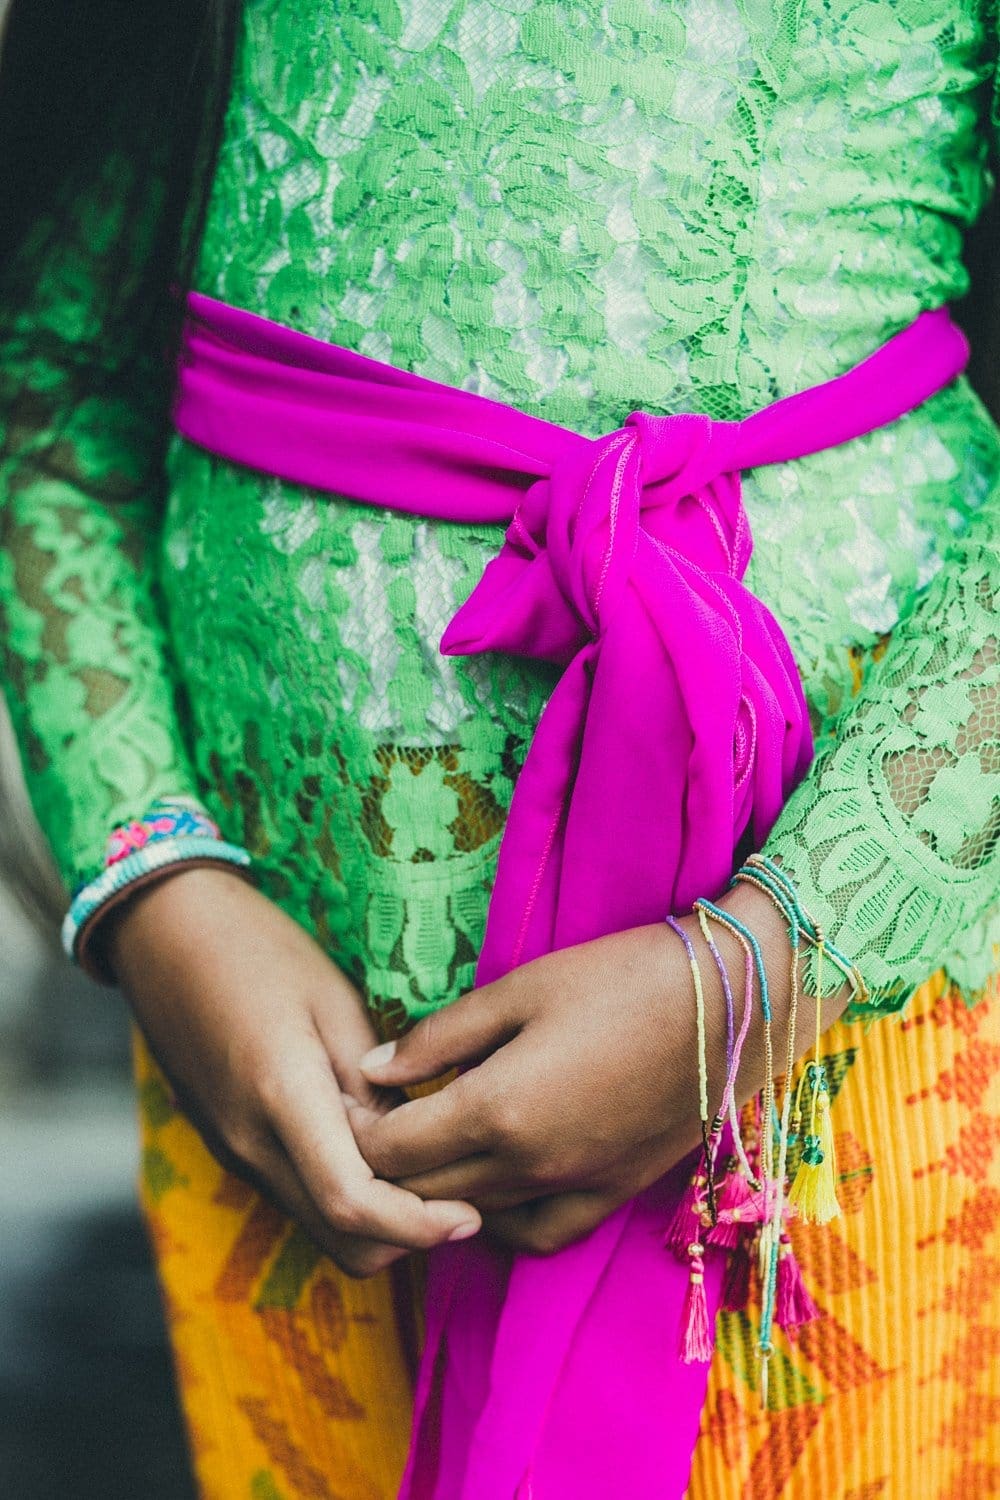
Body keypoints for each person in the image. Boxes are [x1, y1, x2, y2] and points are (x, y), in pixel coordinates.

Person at [2, 1, 999, 1495]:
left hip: (853, 1036)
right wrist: (154, 887)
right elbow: (52, 392)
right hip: (280, 1082)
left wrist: (766, 965)